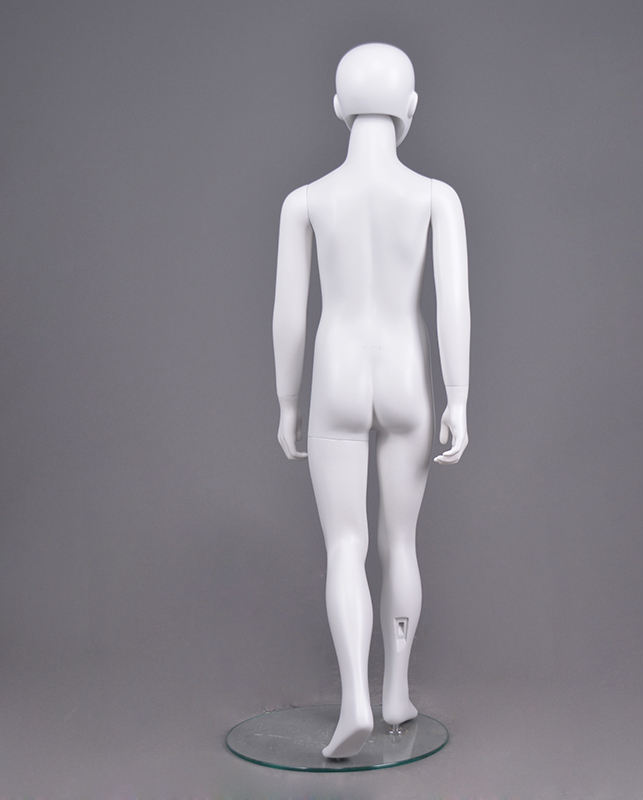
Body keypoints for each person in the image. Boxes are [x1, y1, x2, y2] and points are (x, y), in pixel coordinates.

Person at [272, 42, 470, 759]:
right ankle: (396, 693)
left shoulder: (306, 201)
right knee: (400, 542)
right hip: (408, 377)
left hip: (337, 377)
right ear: (411, 108)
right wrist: (459, 397)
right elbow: (453, 306)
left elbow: (288, 315)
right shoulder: (435, 197)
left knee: (345, 544)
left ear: (337, 107)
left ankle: (355, 696)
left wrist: (286, 400)